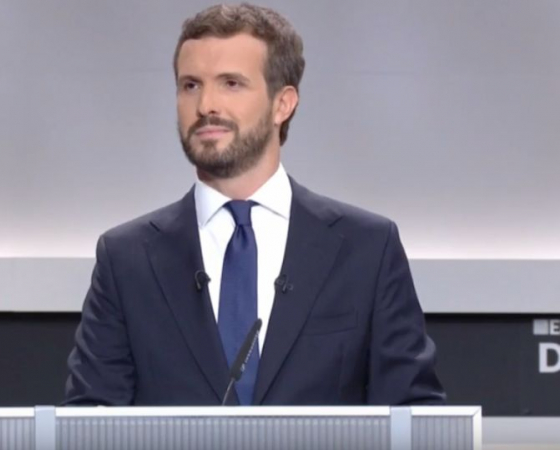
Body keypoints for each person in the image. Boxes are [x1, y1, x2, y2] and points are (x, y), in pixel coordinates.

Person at [65, 3, 446, 406]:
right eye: (191, 85)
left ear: (283, 104)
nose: (206, 105)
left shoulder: (366, 249)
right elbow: (89, 421)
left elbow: (415, 416)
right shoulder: (127, 259)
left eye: (231, 83)